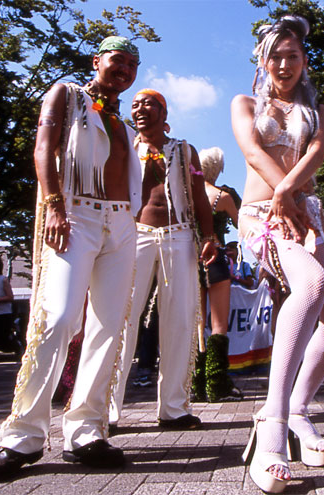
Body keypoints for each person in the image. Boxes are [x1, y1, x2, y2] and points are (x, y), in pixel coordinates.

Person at [0, 36, 142, 483]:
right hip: (75, 215)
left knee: (109, 326)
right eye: (117, 61)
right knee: (60, 316)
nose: (124, 69)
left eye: (132, 64)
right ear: (96, 62)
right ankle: (22, 436)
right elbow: (43, 150)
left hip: (122, 225)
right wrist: (54, 205)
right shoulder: (66, 95)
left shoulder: (125, 125)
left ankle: (86, 431)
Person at [231, 15, 324, 493]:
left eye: (293, 55)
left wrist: (292, 191)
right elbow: (251, 149)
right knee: (312, 285)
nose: (284, 63)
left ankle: (300, 411)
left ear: (304, 61)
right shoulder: (244, 102)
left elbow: (318, 152)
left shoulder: (318, 108)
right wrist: (280, 193)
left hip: (309, 213)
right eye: (275, 56)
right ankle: (272, 427)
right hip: (262, 211)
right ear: (263, 61)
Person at [108, 88, 218, 432]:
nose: (139, 108)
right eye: (135, 104)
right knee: (123, 318)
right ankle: (106, 409)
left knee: (180, 321)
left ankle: (173, 407)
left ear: (163, 111)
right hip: (135, 235)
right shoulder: (125, 144)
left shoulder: (185, 151)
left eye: (148, 103)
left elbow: (199, 194)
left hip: (180, 235)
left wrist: (210, 236)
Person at [192, 147, 243, 403]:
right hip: (217, 257)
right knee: (219, 323)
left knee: (197, 323)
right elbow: (241, 223)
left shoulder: (188, 194)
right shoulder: (221, 197)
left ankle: (197, 382)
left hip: (192, 256)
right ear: (218, 167)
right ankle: (217, 383)